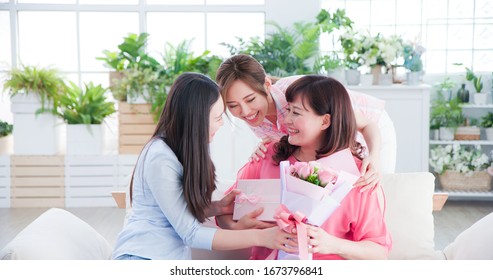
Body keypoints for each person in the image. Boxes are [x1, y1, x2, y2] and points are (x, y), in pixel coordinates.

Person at [111, 73, 297, 260]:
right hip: (139, 257)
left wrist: (218, 207)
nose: (221, 124)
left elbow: (173, 210)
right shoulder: (160, 158)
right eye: (217, 118)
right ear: (197, 119)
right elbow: (191, 234)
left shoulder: (181, 152)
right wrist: (263, 237)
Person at [217, 75, 392, 260]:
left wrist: (331, 244)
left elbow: (379, 253)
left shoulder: (358, 177)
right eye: (289, 110)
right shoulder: (267, 156)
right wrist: (242, 228)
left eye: (296, 113)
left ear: (325, 121)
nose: (286, 120)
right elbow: (223, 214)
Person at [215, 54, 397, 189]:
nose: (245, 112)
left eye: (250, 100)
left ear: (267, 85)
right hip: (331, 138)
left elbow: (366, 125)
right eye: (233, 105)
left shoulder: (294, 93)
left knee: (373, 182)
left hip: (371, 124)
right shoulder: (253, 115)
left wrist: (374, 156)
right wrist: (267, 147)